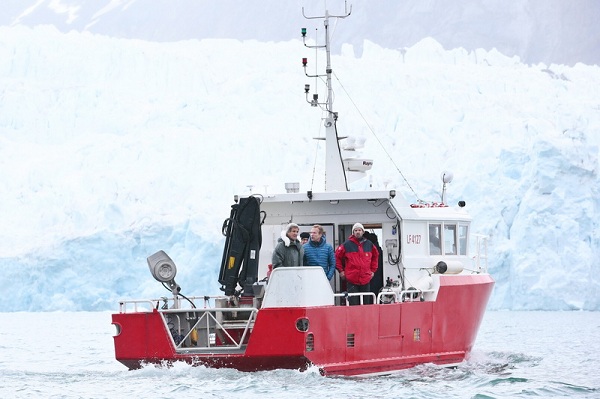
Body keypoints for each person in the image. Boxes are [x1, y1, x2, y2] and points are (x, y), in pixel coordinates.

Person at [335, 223, 379, 305]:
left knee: (366, 304)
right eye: (355, 230)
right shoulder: (346, 245)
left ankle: (366, 318)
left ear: (363, 232)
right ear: (353, 232)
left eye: (359, 230)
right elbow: (336, 257)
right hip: (352, 279)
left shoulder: (369, 244)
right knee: (353, 304)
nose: (357, 232)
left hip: (365, 278)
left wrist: (373, 270)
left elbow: (376, 256)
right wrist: (341, 271)